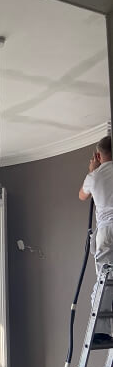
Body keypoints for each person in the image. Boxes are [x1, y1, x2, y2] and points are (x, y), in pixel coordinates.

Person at [79, 135, 113, 343]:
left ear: (99, 155)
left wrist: (92, 170)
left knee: (105, 279)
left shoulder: (95, 176)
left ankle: (100, 332)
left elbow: (82, 196)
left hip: (107, 232)